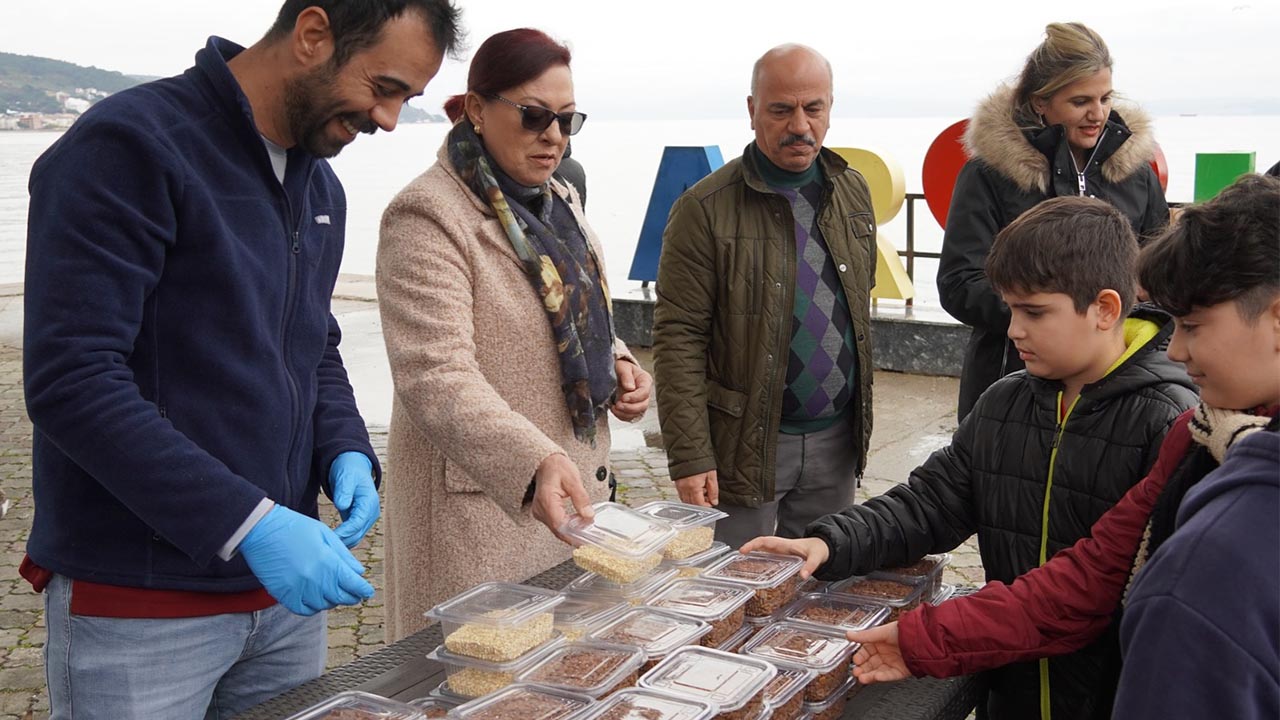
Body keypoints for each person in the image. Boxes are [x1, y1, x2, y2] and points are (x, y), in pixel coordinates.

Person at [20, 2, 462, 717]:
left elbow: (312, 343)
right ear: (313, 34)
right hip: (142, 602)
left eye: (404, 99)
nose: (387, 118)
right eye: (383, 86)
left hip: (287, 607)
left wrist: (344, 448)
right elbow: (71, 380)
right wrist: (250, 523)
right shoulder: (129, 146)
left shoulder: (320, 185)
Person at [840, 174, 1280, 719]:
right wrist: (908, 626)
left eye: (1191, 324)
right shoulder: (1195, 439)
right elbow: (1077, 585)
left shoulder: (1170, 417)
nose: (1179, 347)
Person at [745, 194, 1196, 720]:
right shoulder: (1004, 402)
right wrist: (827, 542)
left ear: (1104, 308)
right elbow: (928, 504)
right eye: (1010, 309)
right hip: (1010, 683)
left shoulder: (1167, 420)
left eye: (1034, 312)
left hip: (1114, 694)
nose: (1013, 330)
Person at [377, 28, 651, 642]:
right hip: (479, 522)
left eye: (566, 120)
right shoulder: (427, 215)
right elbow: (434, 376)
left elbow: (586, 319)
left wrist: (624, 366)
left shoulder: (561, 201)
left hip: (575, 509)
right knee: (472, 692)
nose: (552, 136)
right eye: (533, 117)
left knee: (565, 688)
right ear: (476, 108)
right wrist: (534, 461)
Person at [652, 44, 877, 550]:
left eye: (813, 108)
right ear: (752, 110)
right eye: (781, 109)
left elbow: (859, 313)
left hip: (836, 441)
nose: (800, 125)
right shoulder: (703, 209)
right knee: (732, 590)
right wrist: (690, 455)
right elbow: (678, 337)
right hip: (744, 447)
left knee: (822, 586)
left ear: (830, 108)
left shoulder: (853, 191)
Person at [939, 22, 1169, 422]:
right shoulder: (990, 175)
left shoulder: (1137, 173)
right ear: (1039, 102)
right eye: (1080, 101)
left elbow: (1162, 274)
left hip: (1122, 387)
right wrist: (1048, 316)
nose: (1097, 114)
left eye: (1105, 98)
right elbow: (960, 284)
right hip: (1013, 382)